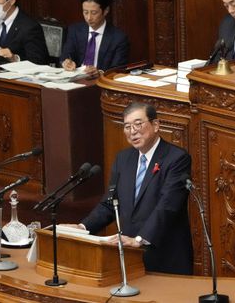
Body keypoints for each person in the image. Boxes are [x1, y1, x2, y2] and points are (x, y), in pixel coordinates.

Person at [78, 101, 193, 275]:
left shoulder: (176, 158)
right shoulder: (123, 159)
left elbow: (167, 206)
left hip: (165, 256)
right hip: (129, 256)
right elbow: (110, 203)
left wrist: (139, 239)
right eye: (127, 126)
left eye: (138, 124)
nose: (132, 131)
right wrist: (83, 227)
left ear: (155, 125)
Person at [60, 0, 129, 76]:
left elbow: (118, 69)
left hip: (100, 83)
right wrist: (66, 62)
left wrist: (100, 73)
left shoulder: (118, 38)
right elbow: (65, 56)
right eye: (85, 12)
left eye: (94, 13)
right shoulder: (75, 30)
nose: (89, 18)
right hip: (75, 79)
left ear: (106, 11)